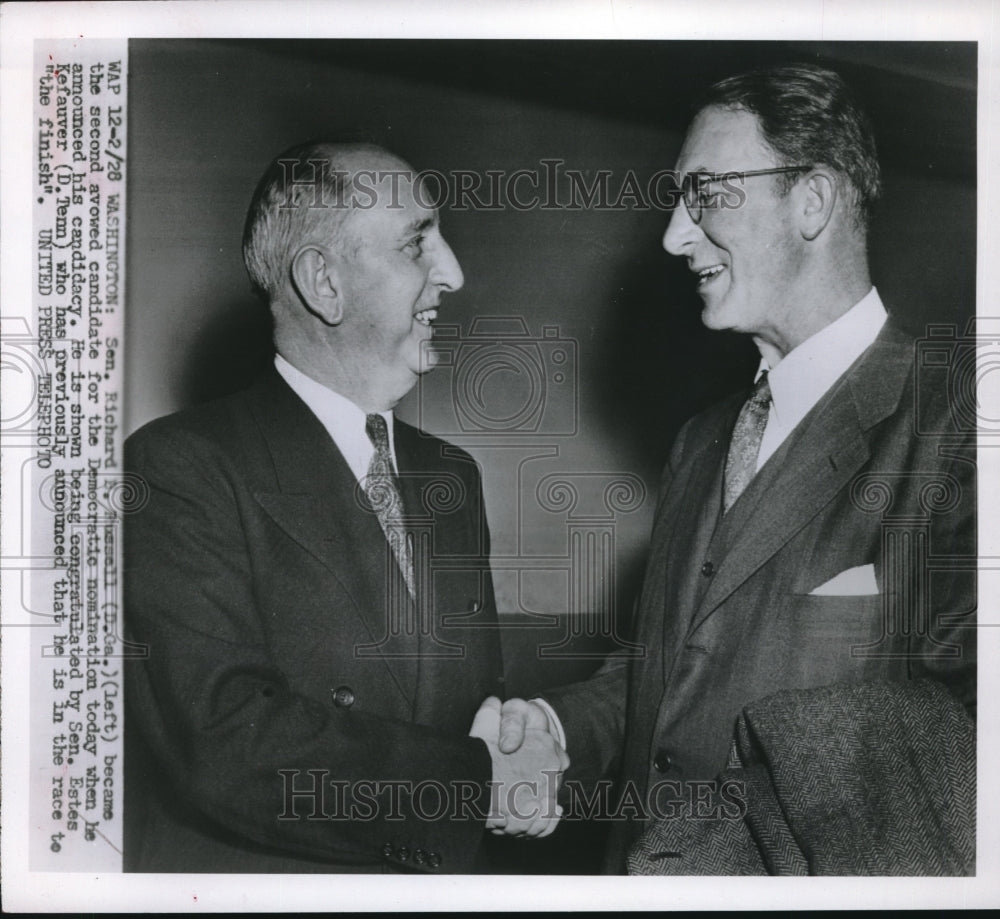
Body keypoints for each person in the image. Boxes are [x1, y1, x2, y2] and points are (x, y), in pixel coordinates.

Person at [487, 63, 976, 873]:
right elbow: (666, 671)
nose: (675, 235)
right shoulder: (701, 439)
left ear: (812, 201)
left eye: (707, 193)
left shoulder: (960, 429)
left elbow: (961, 748)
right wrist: (555, 729)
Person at [123, 141, 567, 873]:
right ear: (323, 282)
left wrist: (518, 726)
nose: (452, 273)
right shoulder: (177, 466)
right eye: (417, 241)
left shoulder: (451, 474)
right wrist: (478, 782)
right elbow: (229, 743)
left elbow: (463, 702)